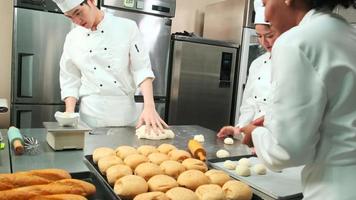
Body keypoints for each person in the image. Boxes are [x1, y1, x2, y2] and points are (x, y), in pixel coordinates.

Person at [240, 0, 356, 199]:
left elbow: (286, 152)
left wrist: (256, 133)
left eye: (265, 2)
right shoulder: (348, 33)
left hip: (332, 188)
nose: (266, 15)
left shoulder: (295, 41)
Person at [52, 0, 168, 131]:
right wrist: (69, 113)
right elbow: (70, 78)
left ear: (91, 2)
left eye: (78, 13)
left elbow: (141, 68)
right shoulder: (72, 38)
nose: (77, 21)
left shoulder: (127, 27)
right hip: (90, 117)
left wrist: (149, 107)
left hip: (125, 115)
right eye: (70, 17)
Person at [217, 0, 280, 139]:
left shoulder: (292, 64)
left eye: (269, 35)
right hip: (253, 138)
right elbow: (249, 104)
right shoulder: (257, 64)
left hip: (276, 141)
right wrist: (238, 129)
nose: (264, 42)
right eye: (259, 36)